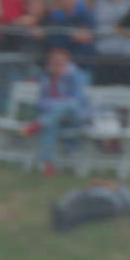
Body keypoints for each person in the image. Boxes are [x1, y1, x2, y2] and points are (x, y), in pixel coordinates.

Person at [23, 45, 91, 173]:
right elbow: (40, 102)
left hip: (74, 117)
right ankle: (49, 165)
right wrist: (58, 104)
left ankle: (38, 124)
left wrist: (56, 104)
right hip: (54, 116)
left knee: (69, 105)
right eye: (54, 62)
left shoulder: (75, 76)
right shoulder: (45, 77)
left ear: (67, 63)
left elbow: (77, 101)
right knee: (51, 123)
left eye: (60, 62)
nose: (57, 65)